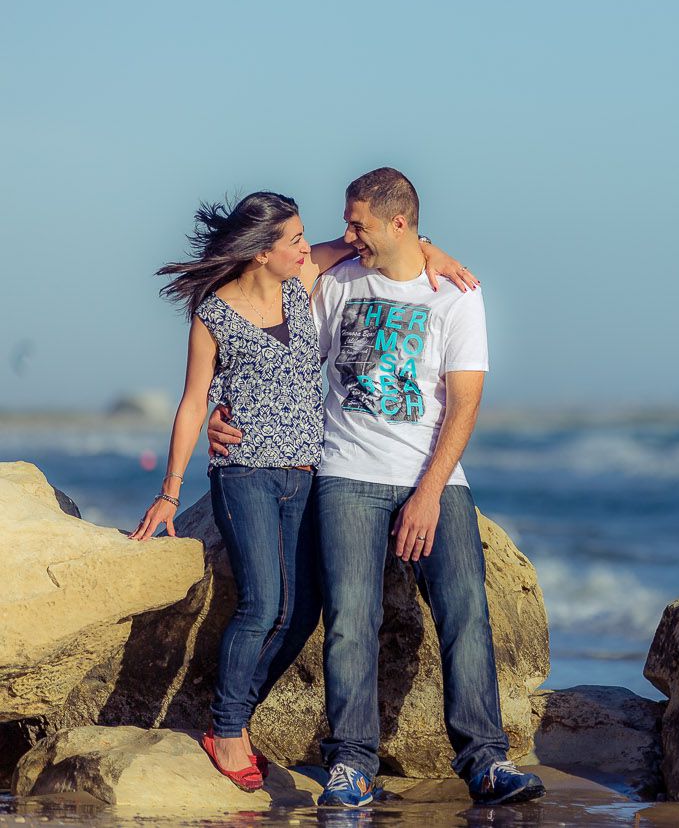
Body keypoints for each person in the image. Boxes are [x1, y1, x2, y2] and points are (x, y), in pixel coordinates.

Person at [209, 167, 544, 807]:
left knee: (466, 613)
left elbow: (464, 404)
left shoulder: (456, 295)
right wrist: (217, 409)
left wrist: (427, 493)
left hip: (435, 479)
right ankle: (352, 766)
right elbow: (248, 310)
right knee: (349, 620)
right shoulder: (337, 281)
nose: (346, 233)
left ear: (398, 223)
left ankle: (485, 762)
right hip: (346, 475)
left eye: (357, 222)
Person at [134, 190, 474, 792]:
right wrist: (168, 490)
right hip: (244, 473)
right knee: (263, 604)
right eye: (293, 237)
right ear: (263, 251)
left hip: (309, 474)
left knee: (304, 610)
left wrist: (431, 250)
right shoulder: (213, 313)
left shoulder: (302, 283)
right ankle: (230, 727)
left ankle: (229, 720)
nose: (306, 244)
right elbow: (193, 402)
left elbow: (379, 240)